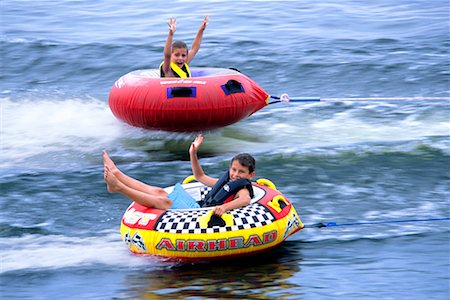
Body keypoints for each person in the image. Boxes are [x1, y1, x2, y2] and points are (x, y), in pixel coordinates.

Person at [103, 134, 256, 216]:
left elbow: (245, 200)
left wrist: (224, 208)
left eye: (241, 172)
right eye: (233, 170)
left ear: (250, 175)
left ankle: (119, 188)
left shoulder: (242, 189)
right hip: (197, 207)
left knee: (164, 202)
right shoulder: (227, 183)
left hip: (198, 215)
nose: (235, 175)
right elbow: (199, 176)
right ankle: (118, 173)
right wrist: (193, 153)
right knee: (159, 191)